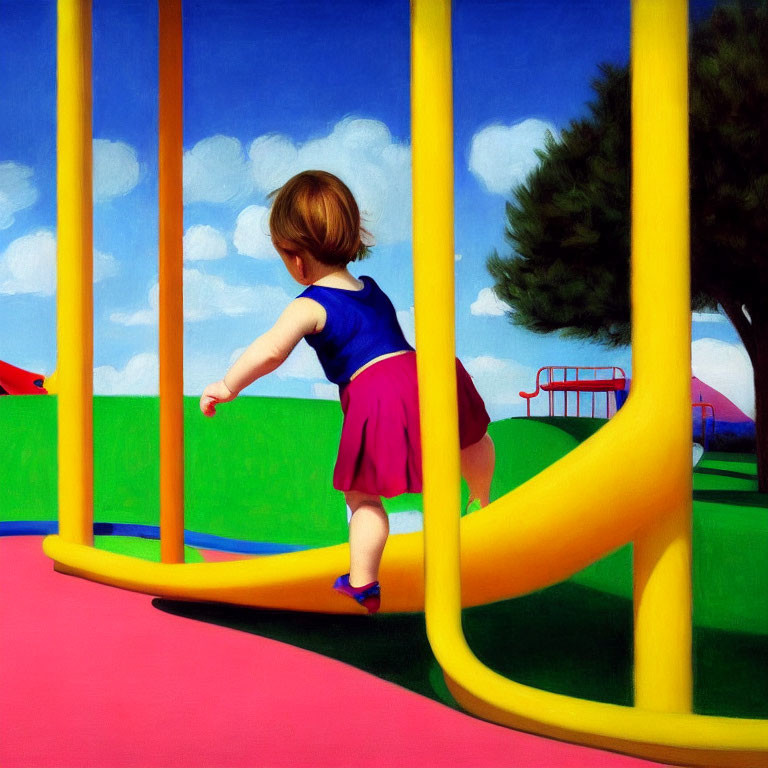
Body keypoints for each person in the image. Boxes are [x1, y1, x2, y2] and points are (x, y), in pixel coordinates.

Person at [200, 170, 495, 614]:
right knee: (470, 435)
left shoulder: (310, 304)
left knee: (363, 498)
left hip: (376, 390)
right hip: (425, 368)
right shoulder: (371, 290)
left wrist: (228, 384)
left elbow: (271, 351)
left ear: (295, 258)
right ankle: (481, 499)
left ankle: (363, 582)